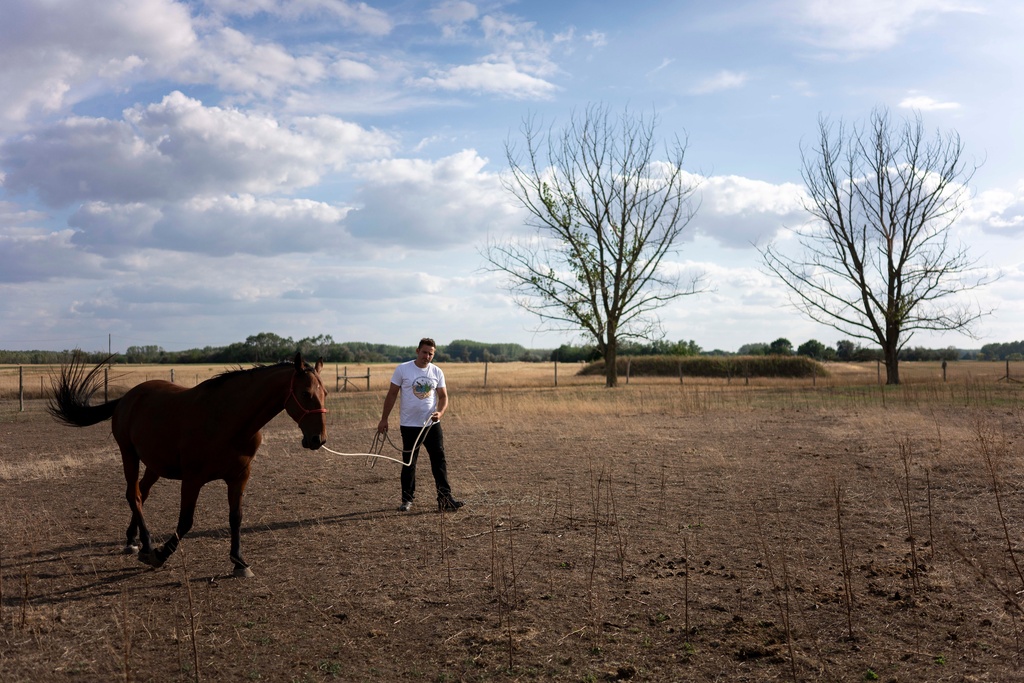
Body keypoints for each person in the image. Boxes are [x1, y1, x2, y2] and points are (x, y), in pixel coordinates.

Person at [377, 338, 464, 512]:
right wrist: (384, 419)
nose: (427, 356)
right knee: (409, 462)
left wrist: (440, 413)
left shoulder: (437, 372)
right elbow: (392, 394)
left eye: (431, 353)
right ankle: (407, 500)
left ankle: (445, 498)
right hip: (409, 425)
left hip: (431, 425)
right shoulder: (403, 369)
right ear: (418, 351)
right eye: (424, 352)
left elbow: (444, 397)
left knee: (439, 461)